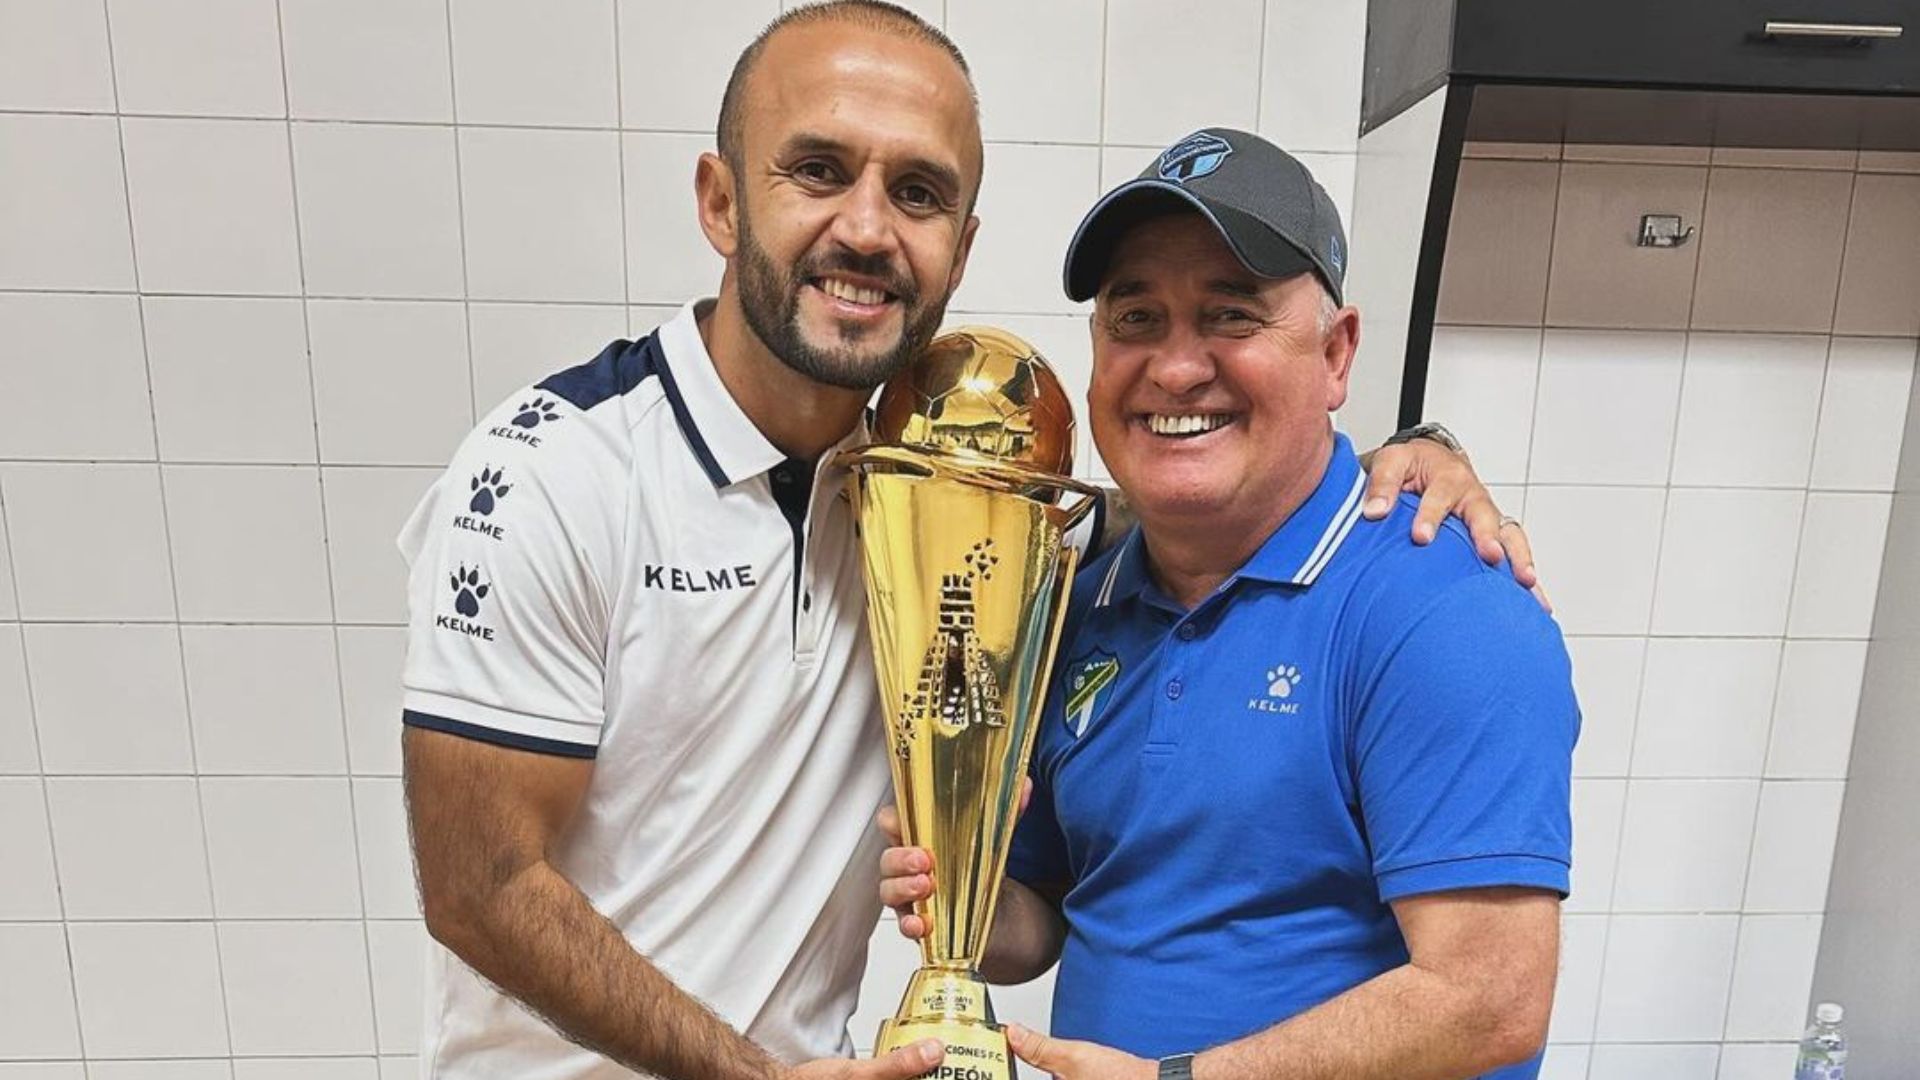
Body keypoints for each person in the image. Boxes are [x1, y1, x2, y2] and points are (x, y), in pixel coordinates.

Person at [398, 4, 1530, 1077]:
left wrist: (1408, 453)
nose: (866, 227)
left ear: (963, 243)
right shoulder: (553, 473)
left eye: (920, 192)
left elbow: (1225, 486)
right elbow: (479, 886)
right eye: (818, 169)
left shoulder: (959, 504)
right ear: (721, 200)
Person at [880, 129, 1578, 1080]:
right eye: (1136, 319)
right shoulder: (1080, 599)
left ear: (1337, 354)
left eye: (1231, 316)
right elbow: (1048, 918)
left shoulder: (1439, 606)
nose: (1174, 369)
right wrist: (959, 888)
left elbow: (1489, 1001)